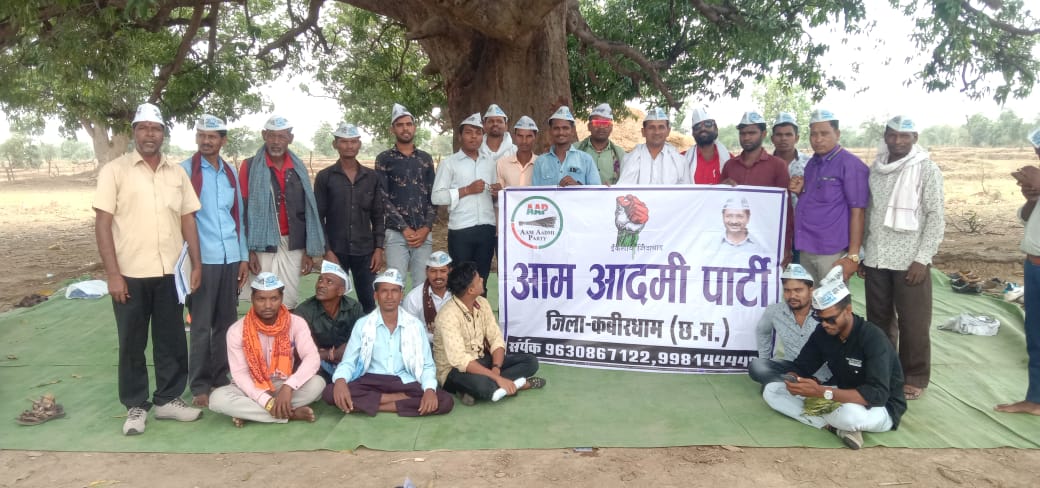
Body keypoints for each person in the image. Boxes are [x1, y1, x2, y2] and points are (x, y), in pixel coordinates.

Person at [94, 102, 203, 435]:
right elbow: (102, 223)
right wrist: (113, 274)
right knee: (132, 342)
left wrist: (196, 264)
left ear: (163, 134)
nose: (149, 134)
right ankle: (136, 406)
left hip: (170, 273)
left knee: (170, 339)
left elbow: (187, 220)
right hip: (129, 273)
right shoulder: (115, 171)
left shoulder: (176, 172)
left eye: (155, 129)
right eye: (143, 128)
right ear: (134, 133)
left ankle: (169, 400)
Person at [760, 266, 907, 450]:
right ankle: (835, 427)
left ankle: (839, 424)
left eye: (830, 319)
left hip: (879, 408)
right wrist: (794, 380)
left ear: (848, 310)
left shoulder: (873, 338)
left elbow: (877, 394)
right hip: (838, 395)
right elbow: (802, 365)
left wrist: (820, 392)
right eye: (819, 318)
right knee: (772, 391)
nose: (825, 324)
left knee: (850, 415)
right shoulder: (823, 332)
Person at [860, 116, 945, 402]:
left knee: (914, 322)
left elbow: (935, 216)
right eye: (892, 135)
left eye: (904, 136)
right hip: (876, 257)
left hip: (911, 260)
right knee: (879, 321)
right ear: (885, 136)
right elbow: (869, 212)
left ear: (915, 138)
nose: (897, 141)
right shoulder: (877, 169)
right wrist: (863, 253)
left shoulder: (926, 169)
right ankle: (884, 371)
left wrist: (923, 258)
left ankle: (915, 376)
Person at [179, 114, 248, 407]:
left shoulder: (230, 172)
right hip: (202, 259)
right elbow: (182, 219)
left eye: (213, 136)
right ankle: (199, 386)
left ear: (223, 140)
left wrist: (243, 256)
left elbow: (238, 218)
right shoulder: (185, 171)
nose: (206, 141)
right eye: (202, 135)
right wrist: (194, 263)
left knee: (227, 323)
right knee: (201, 325)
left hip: (229, 257)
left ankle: (222, 378)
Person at [325, 269, 455, 416]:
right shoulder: (363, 324)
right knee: (330, 392)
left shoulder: (414, 325)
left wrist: (430, 390)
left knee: (444, 400)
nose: (389, 296)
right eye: (384, 291)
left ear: (401, 295)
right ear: (376, 295)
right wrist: (341, 381)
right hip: (371, 380)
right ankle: (399, 401)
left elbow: (427, 365)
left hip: (404, 380)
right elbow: (349, 362)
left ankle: (371, 405)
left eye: (394, 291)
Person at [209, 272, 325, 427]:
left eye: (274, 299)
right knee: (217, 399)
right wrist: (267, 402)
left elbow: (312, 358)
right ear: (252, 299)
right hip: (250, 385)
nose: (268, 305)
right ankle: (289, 414)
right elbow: (240, 375)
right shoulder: (237, 330)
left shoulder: (296, 323)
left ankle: (250, 413)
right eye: (261, 299)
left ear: (281, 299)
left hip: (283, 383)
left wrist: (289, 386)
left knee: (318, 384)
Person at [239, 115, 326, 309]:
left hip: (292, 244)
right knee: (263, 299)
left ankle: (285, 339)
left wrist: (307, 252)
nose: (276, 141)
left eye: (281, 136)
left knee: (289, 300)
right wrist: (249, 251)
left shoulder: (298, 167)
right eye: (271, 136)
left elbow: (306, 211)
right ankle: (260, 339)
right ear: (264, 136)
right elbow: (242, 210)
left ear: (290, 138)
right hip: (261, 243)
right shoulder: (250, 166)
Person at [433, 262, 545, 405]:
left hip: (481, 360)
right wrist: (497, 377)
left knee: (530, 362)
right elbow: (461, 361)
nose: (482, 280)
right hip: (453, 371)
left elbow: (495, 338)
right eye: (478, 279)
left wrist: (496, 368)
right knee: (484, 387)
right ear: (471, 290)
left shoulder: (482, 303)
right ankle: (519, 384)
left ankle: (478, 389)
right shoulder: (447, 316)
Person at [788, 109, 869, 283]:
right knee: (810, 301)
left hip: (831, 251)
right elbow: (819, 201)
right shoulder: (812, 164)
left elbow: (858, 212)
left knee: (831, 305)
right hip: (806, 246)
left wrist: (853, 256)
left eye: (824, 134)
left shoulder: (850, 165)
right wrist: (800, 192)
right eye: (813, 134)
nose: (818, 139)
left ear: (837, 134)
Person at [314, 122, 385, 313]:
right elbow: (318, 218)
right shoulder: (325, 177)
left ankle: (368, 339)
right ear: (335, 144)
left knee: (368, 301)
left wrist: (378, 248)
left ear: (359, 144)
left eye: (353, 142)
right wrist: (327, 251)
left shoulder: (372, 177)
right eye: (344, 142)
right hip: (335, 250)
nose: (349, 146)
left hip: (365, 251)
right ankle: (334, 340)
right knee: (331, 301)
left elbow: (378, 215)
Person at [995, 127, 1040, 416]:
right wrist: (1032, 195)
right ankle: (1035, 399)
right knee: (1035, 335)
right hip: (1034, 265)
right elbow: (1026, 218)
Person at [432, 113, 497, 294]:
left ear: (483, 137)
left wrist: (496, 192)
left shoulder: (489, 163)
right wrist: (466, 190)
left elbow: (492, 195)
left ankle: (480, 319)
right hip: (461, 229)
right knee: (461, 281)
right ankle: (460, 320)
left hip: (486, 227)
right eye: (469, 132)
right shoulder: (449, 163)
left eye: (478, 133)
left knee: (481, 279)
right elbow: (437, 197)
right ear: (460, 136)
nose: (474, 137)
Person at [376, 103, 437, 291]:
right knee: (395, 284)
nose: (405, 128)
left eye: (409, 124)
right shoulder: (384, 159)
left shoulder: (425, 159)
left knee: (421, 287)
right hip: (396, 233)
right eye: (400, 125)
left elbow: (433, 197)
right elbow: (382, 198)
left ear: (414, 127)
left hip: (423, 234)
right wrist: (404, 228)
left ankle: (420, 322)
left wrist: (426, 228)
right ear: (392, 129)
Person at [721, 111, 793, 264]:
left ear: (764, 134)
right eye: (743, 133)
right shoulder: (730, 166)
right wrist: (721, 189)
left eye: (752, 133)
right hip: (735, 239)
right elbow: (721, 205)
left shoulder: (777, 166)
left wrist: (785, 245)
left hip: (766, 239)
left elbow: (785, 209)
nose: (746, 137)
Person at [748, 264, 829, 385]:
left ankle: (783, 386)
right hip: (793, 368)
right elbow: (762, 331)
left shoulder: (825, 312)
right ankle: (790, 385)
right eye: (787, 290)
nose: (792, 296)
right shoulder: (774, 311)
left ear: (810, 291)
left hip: (825, 371)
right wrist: (765, 357)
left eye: (798, 290)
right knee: (757, 365)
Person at [294, 261, 364, 383]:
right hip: (317, 361)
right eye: (320, 280)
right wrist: (331, 354)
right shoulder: (304, 311)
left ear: (341, 291)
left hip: (347, 359)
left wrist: (346, 352)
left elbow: (364, 339)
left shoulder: (354, 307)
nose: (321, 285)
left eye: (329, 282)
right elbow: (301, 351)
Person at [772, 112, 812, 264]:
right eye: (779, 135)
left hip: (802, 231)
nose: (783, 139)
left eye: (788, 134)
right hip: (773, 231)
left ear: (797, 137)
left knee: (800, 278)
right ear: (772, 138)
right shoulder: (765, 164)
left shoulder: (810, 164)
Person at [531, 106, 602, 187]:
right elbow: (536, 196)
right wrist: (557, 188)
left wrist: (578, 187)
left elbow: (596, 194)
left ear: (572, 131)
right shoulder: (540, 162)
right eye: (556, 128)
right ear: (550, 131)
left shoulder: (586, 160)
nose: (561, 132)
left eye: (565, 128)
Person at [616, 107, 690, 185]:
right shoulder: (629, 158)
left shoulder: (680, 162)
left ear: (668, 131)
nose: (657, 132)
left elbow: (686, 193)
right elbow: (623, 190)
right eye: (651, 127)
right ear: (643, 132)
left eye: (661, 127)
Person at [402, 251, 453, 338]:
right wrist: (437, 339)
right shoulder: (413, 298)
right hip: (424, 345)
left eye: (443, 271)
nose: (438, 276)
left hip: (456, 344)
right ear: (426, 272)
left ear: (451, 271)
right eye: (433, 271)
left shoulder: (460, 293)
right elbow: (409, 331)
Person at [576, 103, 626, 185]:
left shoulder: (620, 154)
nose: (601, 127)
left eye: (606, 123)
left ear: (611, 128)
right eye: (597, 123)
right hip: (580, 197)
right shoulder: (574, 149)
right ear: (589, 126)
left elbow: (625, 181)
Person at [683, 107, 731, 184]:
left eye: (708, 124)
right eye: (697, 126)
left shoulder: (730, 160)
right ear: (693, 133)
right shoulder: (681, 159)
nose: (703, 128)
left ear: (715, 128)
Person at [712, 197, 769, 261]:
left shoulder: (760, 249)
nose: (734, 221)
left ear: (748, 217)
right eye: (729, 216)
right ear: (723, 216)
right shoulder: (711, 246)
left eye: (739, 216)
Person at [494, 116, 539, 190]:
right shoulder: (502, 163)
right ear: (514, 136)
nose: (524, 141)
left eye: (529, 136)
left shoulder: (541, 164)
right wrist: (496, 191)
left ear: (535, 137)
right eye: (520, 136)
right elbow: (500, 195)